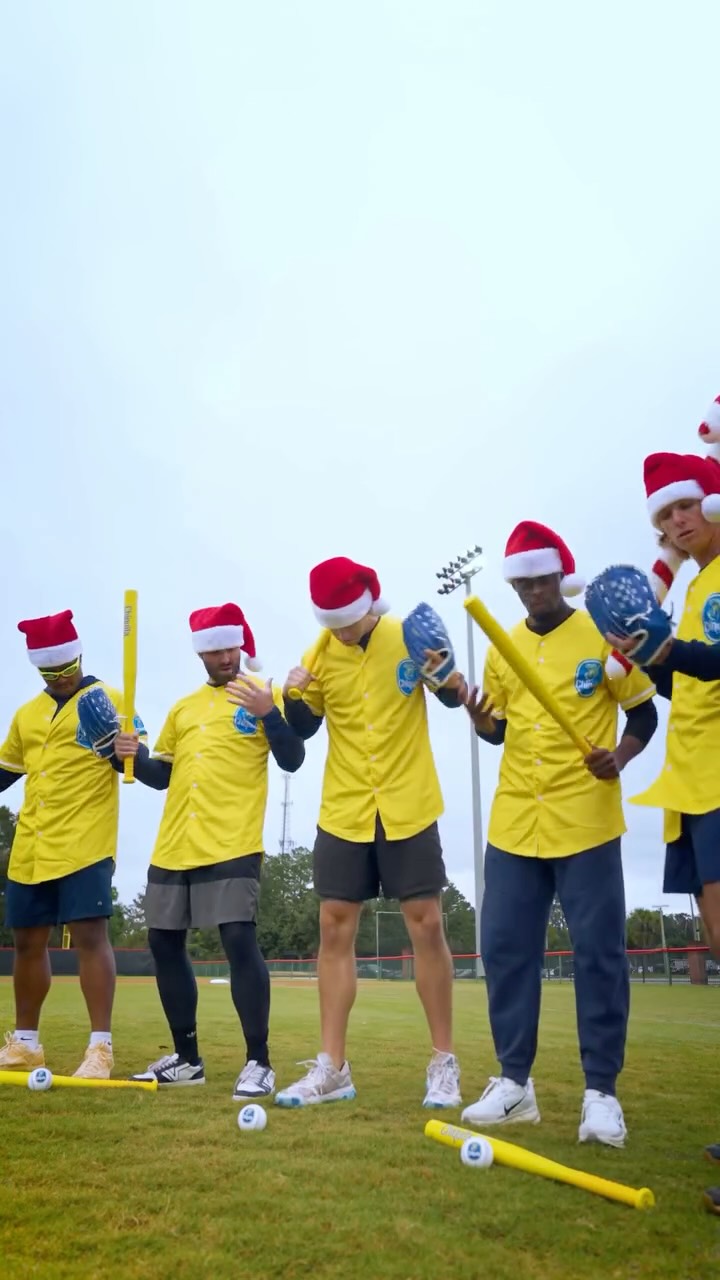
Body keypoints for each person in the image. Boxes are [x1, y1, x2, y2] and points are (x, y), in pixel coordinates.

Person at [460, 522, 658, 1146]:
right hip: (515, 820)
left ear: (559, 576)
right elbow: (498, 731)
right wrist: (479, 719)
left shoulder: (601, 636)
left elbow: (644, 714)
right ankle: (514, 1085)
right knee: (503, 949)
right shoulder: (503, 646)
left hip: (586, 819)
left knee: (599, 954)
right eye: (521, 584)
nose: (532, 592)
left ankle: (601, 1093)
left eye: (541, 580)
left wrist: (618, 758)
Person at [274, 556, 467, 1110]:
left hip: (409, 800)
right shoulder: (318, 653)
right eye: (329, 624)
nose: (339, 632)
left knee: (427, 923)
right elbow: (303, 729)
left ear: (367, 606)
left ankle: (443, 1062)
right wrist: (293, 694)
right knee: (333, 927)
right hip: (345, 807)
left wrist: (445, 670)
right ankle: (332, 1067)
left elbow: (452, 696)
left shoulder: (406, 634)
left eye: (346, 622)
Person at [115, 603, 304, 1099]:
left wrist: (268, 713)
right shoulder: (183, 708)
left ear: (241, 646)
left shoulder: (264, 695)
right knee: (163, 943)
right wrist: (127, 757)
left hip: (233, 839)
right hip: (175, 843)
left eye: (231, 648)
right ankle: (187, 1060)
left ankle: (259, 1061)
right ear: (201, 654)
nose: (225, 657)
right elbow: (162, 776)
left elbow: (293, 759)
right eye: (215, 650)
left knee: (238, 939)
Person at [600, 447, 720, 1206]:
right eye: (664, 514)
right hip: (694, 782)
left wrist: (670, 648)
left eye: (686, 504)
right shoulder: (696, 585)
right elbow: (687, 681)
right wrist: (646, 655)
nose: (677, 521)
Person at [0, 609, 146, 1078]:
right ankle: (26, 1044)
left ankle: (100, 1048)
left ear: (79, 656)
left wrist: (124, 751)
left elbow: (143, 764)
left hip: (85, 842)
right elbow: (6, 771)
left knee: (89, 938)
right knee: (27, 942)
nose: (60, 679)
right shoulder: (27, 714)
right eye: (49, 673)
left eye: (65, 668)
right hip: (32, 845)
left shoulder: (113, 698)